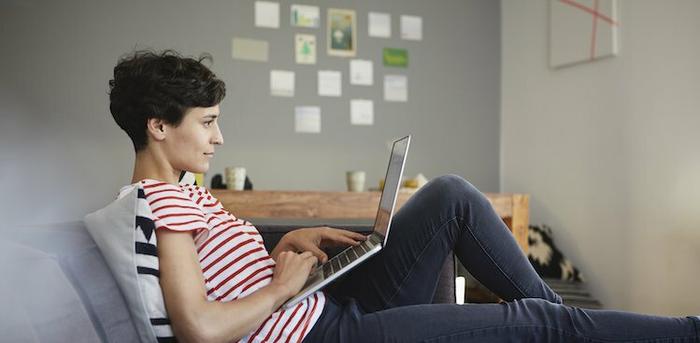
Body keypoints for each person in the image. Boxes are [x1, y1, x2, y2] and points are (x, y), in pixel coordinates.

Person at [108, 50, 700, 343]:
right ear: (159, 126)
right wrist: (282, 285)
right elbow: (199, 329)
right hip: (326, 333)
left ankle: (567, 327)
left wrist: (288, 243)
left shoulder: (184, 193)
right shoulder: (162, 203)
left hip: (327, 306)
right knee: (532, 319)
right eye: (207, 122)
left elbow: (221, 272)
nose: (218, 136)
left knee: (450, 195)